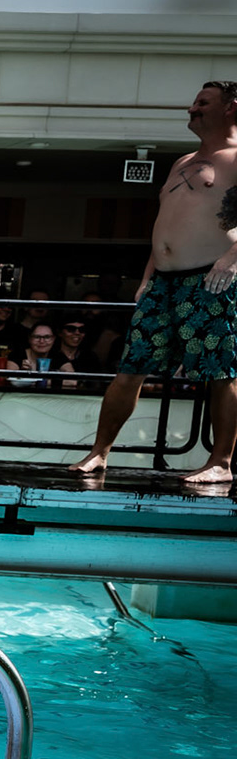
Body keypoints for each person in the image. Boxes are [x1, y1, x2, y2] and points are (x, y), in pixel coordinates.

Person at [74, 89, 237, 482]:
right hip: (163, 280)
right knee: (132, 365)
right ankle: (99, 453)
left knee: (220, 371)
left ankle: (221, 463)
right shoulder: (183, 161)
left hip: (212, 278)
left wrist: (233, 260)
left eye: (203, 103)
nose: (191, 108)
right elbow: (166, 221)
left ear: (232, 107)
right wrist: (149, 271)